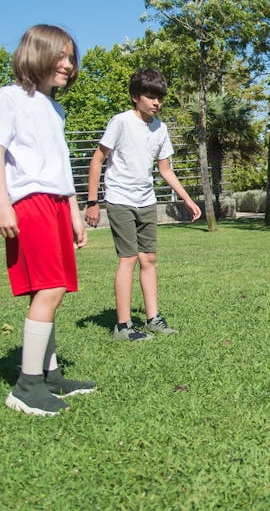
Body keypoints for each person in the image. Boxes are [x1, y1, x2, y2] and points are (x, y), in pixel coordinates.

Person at [0, 24, 95, 416]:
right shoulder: (10, 97)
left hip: (59, 204)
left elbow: (61, 165)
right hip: (30, 202)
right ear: (36, 54)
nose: (68, 64)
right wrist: (2, 203)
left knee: (52, 288)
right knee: (50, 287)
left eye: (71, 57)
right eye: (60, 56)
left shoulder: (55, 108)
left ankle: (51, 374)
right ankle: (27, 387)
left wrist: (75, 212)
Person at [84, 69, 202, 341]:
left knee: (149, 258)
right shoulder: (121, 122)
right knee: (127, 259)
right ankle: (123, 326)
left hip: (146, 200)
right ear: (136, 97)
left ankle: (153, 319)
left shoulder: (160, 128)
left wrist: (188, 199)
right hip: (119, 199)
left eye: (160, 98)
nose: (156, 103)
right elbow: (97, 160)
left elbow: (165, 170)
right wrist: (92, 202)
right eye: (150, 97)